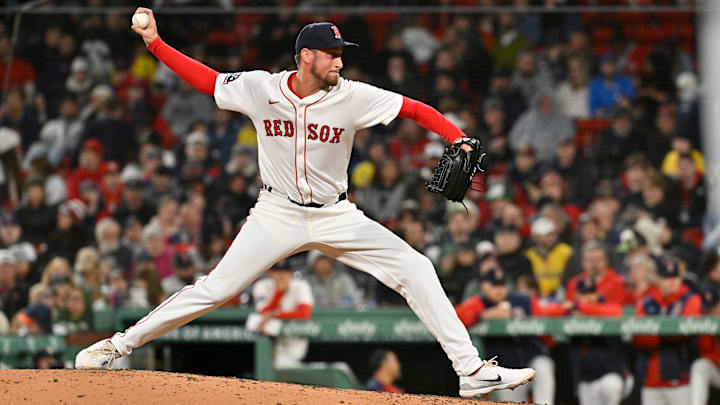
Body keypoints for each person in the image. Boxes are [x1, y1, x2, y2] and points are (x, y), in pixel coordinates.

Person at [76, 9, 535, 397]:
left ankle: (471, 371)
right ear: (306, 57)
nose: (339, 60)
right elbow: (209, 81)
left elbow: (414, 109)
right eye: (331, 53)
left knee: (416, 268)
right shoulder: (261, 88)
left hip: (337, 214)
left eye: (341, 53)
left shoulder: (351, 96)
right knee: (214, 289)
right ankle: (117, 346)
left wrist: (456, 137)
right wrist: (155, 44)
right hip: (277, 212)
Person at [455, 268, 565, 404]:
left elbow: (549, 312)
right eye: (494, 286)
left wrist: (573, 307)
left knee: (543, 364)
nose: (499, 290)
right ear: (484, 287)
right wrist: (484, 315)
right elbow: (456, 317)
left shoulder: (522, 300)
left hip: (531, 359)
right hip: (506, 370)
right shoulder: (479, 303)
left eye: (502, 285)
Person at [633, 258, 701, 405]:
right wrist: (665, 333)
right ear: (657, 279)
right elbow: (638, 337)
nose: (672, 282)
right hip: (649, 379)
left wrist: (653, 333)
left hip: (680, 377)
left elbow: (684, 334)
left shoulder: (690, 299)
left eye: (675, 277)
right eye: (667, 278)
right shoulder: (646, 302)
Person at [567, 277, 629, 405]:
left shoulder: (604, 308)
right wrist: (571, 310)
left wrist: (580, 307)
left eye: (592, 293)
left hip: (611, 375)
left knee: (611, 386)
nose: (589, 298)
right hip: (586, 380)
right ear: (576, 295)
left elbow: (617, 311)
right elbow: (555, 311)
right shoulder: (571, 313)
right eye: (585, 294)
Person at [245, 259, 313, 368]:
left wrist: (276, 314)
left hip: (292, 339)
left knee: (283, 365)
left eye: (285, 272)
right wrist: (279, 292)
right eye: (278, 272)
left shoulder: (301, 286)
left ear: (290, 273)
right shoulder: (262, 286)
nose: (282, 276)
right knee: (253, 320)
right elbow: (263, 312)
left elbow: (305, 313)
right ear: (270, 273)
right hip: (270, 335)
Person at [690, 286, 720, 405]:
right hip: (716, 370)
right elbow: (705, 352)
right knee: (700, 366)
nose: (711, 312)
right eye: (708, 309)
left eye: (715, 307)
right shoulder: (704, 322)